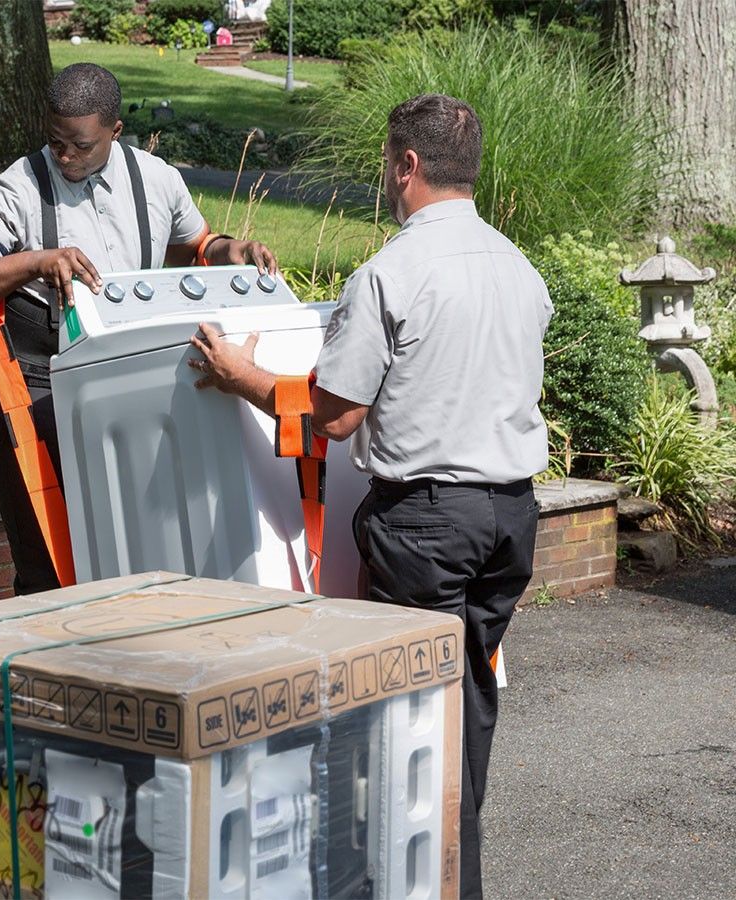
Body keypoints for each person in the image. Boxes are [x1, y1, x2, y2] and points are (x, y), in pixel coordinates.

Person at [188, 93, 552, 898]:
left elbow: (339, 417)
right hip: (511, 520)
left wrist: (238, 374)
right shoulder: (517, 266)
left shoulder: (393, 272)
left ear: (407, 166)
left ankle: (407, 883)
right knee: (464, 709)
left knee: (404, 722)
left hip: (427, 526)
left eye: (390, 166)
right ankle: (457, 880)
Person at [0, 62, 278, 595]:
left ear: (115, 132)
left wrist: (237, 251)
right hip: (35, 398)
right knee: (52, 575)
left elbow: (197, 245)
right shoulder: (19, 187)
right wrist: (35, 261)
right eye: (55, 142)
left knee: (129, 567)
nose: (64, 155)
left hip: (131, 396)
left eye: (80, 145)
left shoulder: (156, 179)